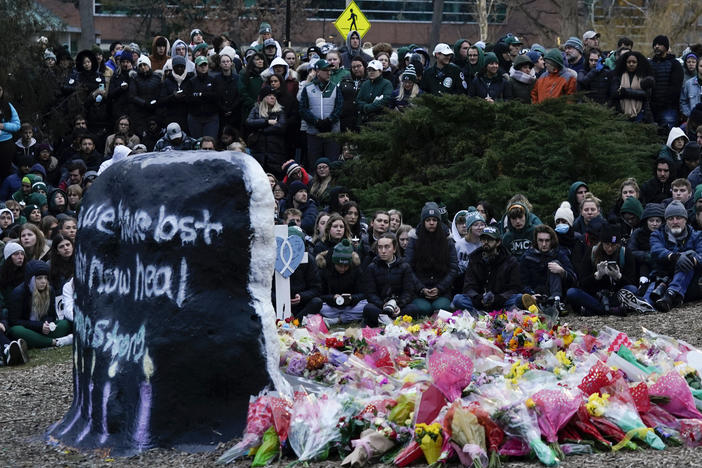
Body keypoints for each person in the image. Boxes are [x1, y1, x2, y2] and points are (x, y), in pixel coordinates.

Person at [566, 222, 651, 316]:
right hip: (596, 296)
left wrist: (618, 276)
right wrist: (597, 276)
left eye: (613, 245)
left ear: (618, 244)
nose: (610, 248)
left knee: (632, 289)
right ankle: (610, 310)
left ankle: (598, 310)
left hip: (615, 295)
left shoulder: (625, 253)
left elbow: (631, 282)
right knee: (571, 292)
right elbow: (581, 283)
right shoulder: (592, 252)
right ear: (601, 242)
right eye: (607, 244)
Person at [452, 226, 523, 316]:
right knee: (458, 299)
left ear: (498, 242)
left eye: (489, 240)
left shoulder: (510, 261)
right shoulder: (474, 258)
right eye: (483, 239)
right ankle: (479, 314)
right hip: (479, 302)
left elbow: (515, 288)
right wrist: (479, 298)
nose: (485, 242)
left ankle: (483, 314)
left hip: (500, 301)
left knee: (519, 298)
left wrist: (497, 298)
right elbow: (468, 286)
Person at [648, 200, 702, 311]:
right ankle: (669, 295)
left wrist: (692, 260)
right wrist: (675, 257)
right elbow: (656, 251)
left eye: (678, 218)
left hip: (690, 282)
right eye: (670, 218)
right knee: (649, 298)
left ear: (685, 220)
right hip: (663, 276)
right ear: (666, 221)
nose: (675, 221)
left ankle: (670, 294)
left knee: (688, 259)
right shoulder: (657, 234)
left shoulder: (697, 235)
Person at [405, 202, 458, 315]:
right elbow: (408, 267)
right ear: (423, 221)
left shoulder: (447, 239)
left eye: (434, 220)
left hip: (442, 289)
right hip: (419, 290)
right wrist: (421, 288)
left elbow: (453, 268)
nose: (431, 223)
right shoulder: (414, 239)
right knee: (424, 309)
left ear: (438, 222)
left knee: (441, 307)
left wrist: (440, 288)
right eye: (428, 220)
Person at [8, 259, 72, 348]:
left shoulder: (50, 290)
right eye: (39, 278)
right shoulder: (18, 293)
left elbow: (52, 316)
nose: (43, 281)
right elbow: (14, 321)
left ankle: (38, 341)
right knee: (16, 330)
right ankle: (55, 342)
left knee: (65, 324)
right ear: (31, 279)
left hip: (44, 329)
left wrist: (47, 324)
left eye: (45, 278)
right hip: (28, 329)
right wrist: (38, 326)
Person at [362, 232, 419, 327]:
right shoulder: (372, 267)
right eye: (380, 247)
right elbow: (370, 294)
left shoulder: (404, 267)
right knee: (368, 308)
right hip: (381, 306)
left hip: (399, 306)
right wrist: (382, 305)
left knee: (413, 308)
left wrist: (399, 305)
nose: (383, 251)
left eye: (387, 247)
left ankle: (387, 321)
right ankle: (394, 322)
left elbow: (408, 291)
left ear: (394, 249)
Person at [519, 224, 576, 314]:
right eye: (541, 240)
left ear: (551, 241)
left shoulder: (560, 254)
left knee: (554, 264)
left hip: (556, 292)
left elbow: (573, 278)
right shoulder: (527, 257)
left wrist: (562, 271)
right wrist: (531, 293)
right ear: (536, 241)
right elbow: (522, 282)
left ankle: (556, 303)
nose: (544, 244)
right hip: (537, 293)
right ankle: (539, 305)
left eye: (547, 240)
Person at [299, 59, 344, 164]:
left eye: (329, 70)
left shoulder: (335, 88)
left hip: (332, 133)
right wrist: (316, 121)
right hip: (314, 134)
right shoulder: (308, 88)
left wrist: (330, 120)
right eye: (325, 70)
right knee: (314, 164)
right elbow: (303, 109)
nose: (329, 72)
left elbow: (339, 107)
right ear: (317, 71)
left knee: (333, 164)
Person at [316, 238, 366, 325]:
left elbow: (363, 293)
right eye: (339, 266)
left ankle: (337, 320)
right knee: (317, 305)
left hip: (351, 306)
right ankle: (346, 318)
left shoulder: (356, 270)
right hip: (330, 306)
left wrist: (352, 298)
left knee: (366, 306)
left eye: (345, 266)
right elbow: (319, 294)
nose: (342, 269)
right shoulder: (325, 270)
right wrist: (332, 297)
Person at [246, 86, 287, 178]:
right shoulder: (256, 110)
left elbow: (281, 126)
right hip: (258, 152)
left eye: (274, 95)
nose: (273, 97)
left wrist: (262, 130)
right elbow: (249, 122)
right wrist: (267, 122)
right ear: (263, 98)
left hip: (275, 152)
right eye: (269, 95)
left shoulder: (280, 111)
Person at [648, 35, 684, 130]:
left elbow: (675, 88)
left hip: (669, 108)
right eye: (655, 44)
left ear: (666, 47)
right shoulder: (649, 64)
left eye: (660, 44)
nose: (656, 46)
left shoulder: (675, 64)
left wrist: (663, 102)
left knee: (668, 135)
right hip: (652, 108)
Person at [628, 203, 664, 294]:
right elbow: (630, 251)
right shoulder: (637, 233)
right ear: (646, 221)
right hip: (640, 266)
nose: (654, 224)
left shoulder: (665, 233)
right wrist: (647, 255)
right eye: (651, 221)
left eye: (658, 221)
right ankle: (642, 284)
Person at [610, 51, 655, 122]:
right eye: (629, 62)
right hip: (620, 113)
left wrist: (625, 92)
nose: (631, 64)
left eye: (634, 62)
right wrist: (636, 93)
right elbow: (614, 93)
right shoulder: (618, 76)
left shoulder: (644, 77)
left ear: (638, 63)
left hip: (640, 114)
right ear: (625, 63)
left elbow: (647, 95)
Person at [185, 56, 219, 138]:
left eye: (205, 65)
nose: (203, 67)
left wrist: (200, 94)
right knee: (197, 143)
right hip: (195, 117)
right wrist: (205, 95)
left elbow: (216, 96)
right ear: (196, 66)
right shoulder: (191, 82)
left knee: (210, 141)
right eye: (201, 65)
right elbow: (189, 98)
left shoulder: (213, 79)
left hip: (211, 117)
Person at [355, 59, 393, 124]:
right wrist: (365, 106)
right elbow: (358, 100)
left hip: (380, 120)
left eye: (374, 70)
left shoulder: (387, 84)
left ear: (380, 71)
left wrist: (370, 107)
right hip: (364, 120)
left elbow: (386, 99)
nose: (371, 72)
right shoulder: (365, 84)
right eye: (369, 70)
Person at [0, 85, 21, 182]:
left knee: (4, 173)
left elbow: (17, 125)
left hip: (5, 144)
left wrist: (3, 126)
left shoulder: (7, 105)